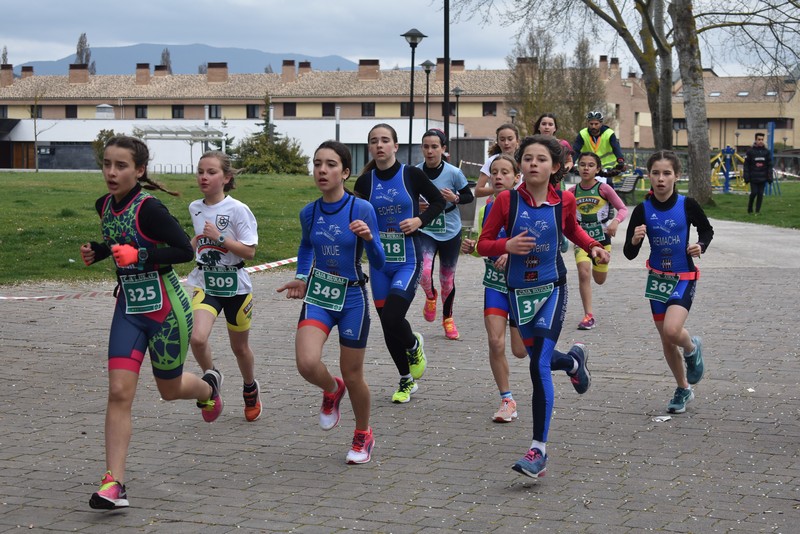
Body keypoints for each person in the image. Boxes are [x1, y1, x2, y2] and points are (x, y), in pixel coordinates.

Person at [80, 136, 220, 510]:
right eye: (107, 164)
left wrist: (138, 254)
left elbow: (183, 251)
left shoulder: (151, 209)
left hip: (166, 311)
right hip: (128, 306)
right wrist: (100, 250)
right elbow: (119, 242)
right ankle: (114, 483)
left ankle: (208, 389)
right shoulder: (103, 205)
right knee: (119, 392)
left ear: (139, 171)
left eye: (121, 165)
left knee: (169, 390)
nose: (111, 172)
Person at [477, 134, 610, 478]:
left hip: (552, 287)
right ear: (521, 164)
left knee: (536, 366)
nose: (533, 164)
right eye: (528, 159)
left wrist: (594, 246)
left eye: (541, 159)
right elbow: (483, 244)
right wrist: (507, 244)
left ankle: (538, 450)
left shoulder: (564, 200)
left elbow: (573, 230)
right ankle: (572, 361)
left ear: (554, 167)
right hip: (518, 291)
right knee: (539, 356)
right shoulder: (505, 201)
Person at [277, 141, 384, 464]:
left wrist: (368, 239)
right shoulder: (309, 212)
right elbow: (307, 245)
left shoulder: (361, 209)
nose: (322, 170)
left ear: (345, 172)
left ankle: (363, 432)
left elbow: (378, 261)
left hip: (352, 297)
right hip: (319, 295)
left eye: (331, 165)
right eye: (317, 163)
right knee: (307, 363)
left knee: (353, 375)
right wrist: (300, 275)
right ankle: (330, 389)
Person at [354, 123, 445, 403]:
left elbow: (439, 202)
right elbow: (356, 224)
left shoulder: (412, 175)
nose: (379, 145)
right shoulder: (365, 182)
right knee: (387, 324)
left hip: (407, 258)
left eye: (385, 140)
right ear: (370, 148)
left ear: (395, 146)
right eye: (374, 141)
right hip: (379, 262)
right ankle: (406, 380)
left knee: (394, 316)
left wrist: (419, 220)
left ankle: (414, 343)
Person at [623, 150, 714, 415]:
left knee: (673, 331)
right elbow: (629, 254)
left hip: (683, 276)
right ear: (648, 176)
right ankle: (683, 387)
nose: (661, 179)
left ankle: (692, 347)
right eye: (655, 173)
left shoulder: (687, 205)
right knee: (666, 339)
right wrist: (635, 240)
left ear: (677, 176)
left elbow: (706, 230)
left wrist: (701, 245)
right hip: (657, 280)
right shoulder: (642, 210)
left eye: (666, 173)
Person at [187, 151, 261, 422]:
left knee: (240, 348)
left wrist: (220, 238)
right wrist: (192, 245)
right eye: (200, 171)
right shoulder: (194, 207)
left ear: (227, 178)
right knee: (197, 338)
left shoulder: (238, 209)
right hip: (205, 282)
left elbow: (249, 252)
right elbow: (197, 240)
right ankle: (212, 380)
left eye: (211, 172)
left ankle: (250, 387)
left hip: (236, 287)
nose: (203, 177)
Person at [461, 154, 527, 422]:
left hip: (522, 286)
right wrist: (472, 248)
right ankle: (507, 399)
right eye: (495, 172)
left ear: (516, 178)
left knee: (520, 351)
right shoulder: (485, 209)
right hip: (495, 285)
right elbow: (484, 247)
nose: (498, 177)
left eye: (505, 173)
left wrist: (511, 254)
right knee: (495, 342)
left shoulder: (526, 206)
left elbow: (535, 243)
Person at [417, 128, 474, 340]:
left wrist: (455, 197)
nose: (430, 151)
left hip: (450, 230)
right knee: (423, 271)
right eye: (426, 146)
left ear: (443, 149)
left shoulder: (453, 173)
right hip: (426, 228)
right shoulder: (415, 172)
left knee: (447, 280)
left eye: (434, 147)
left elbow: (469, 196)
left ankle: (448, 319)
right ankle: (430, 296)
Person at [567, 152, 628, 330]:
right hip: (581, 238)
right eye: (582, 164)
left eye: (590, 165)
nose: (586, 168)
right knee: (583, 273)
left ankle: (601, 268)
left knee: (599, 279)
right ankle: (588, 315)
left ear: (598, 169)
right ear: (577, 167)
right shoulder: (571, 192)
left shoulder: (604, 189)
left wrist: (615, 222)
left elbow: (622, 208)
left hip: (602, 238)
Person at [572, 111, 625, 186]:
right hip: (589, 165)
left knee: (608, 184)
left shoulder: (609, 133)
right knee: (586, 185)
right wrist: (572, 161)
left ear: (601, 123)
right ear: (588, 123)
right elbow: (576, 150)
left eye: (596, 124)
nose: (593, 126)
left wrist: (620, 160)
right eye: (591, 124)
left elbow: (616, 148)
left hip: (606, 166)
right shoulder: (582, 134)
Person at [474, 123, 521, 198]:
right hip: (497, 204)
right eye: (502, 139)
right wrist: (500, 187)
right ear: (498, 142)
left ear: (517, 141)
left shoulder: (524, 160)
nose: (506, 143)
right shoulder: (492, 161)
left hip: (520, 205)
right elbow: (477, 191)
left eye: (510, 139)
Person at [743, 132, 774, 215]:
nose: (760, 141)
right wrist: (746, 176)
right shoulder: (750, 152)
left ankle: (757, 211)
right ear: (755, 140)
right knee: (754, 193)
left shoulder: (767, 152)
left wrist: (770, 177)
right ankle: (750, 208)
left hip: (763, 177)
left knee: (760, 194)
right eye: (759, 139)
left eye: (762, 140)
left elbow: (769, 165)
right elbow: (746, 165)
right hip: (753, 177)